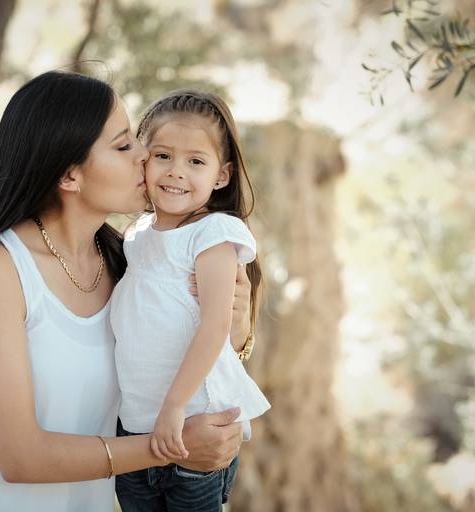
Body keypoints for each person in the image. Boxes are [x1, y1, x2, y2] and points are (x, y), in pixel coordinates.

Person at [0, 71, 254, 512]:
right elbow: (20, 458)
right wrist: (171, 447)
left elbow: (162, 358)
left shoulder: (126, 263)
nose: (145, 156)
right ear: (70, 176)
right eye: (124, 146)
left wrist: (238, 333)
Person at [111, 90, 271, 512]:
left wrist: (174, 407)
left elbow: (216, 325)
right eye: (163, 155)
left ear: (222, 175)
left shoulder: (214, 234)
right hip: (134, 434)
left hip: (190, 426)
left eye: (196, 161)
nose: (176, 172)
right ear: (142, 157)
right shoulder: (135, 236)